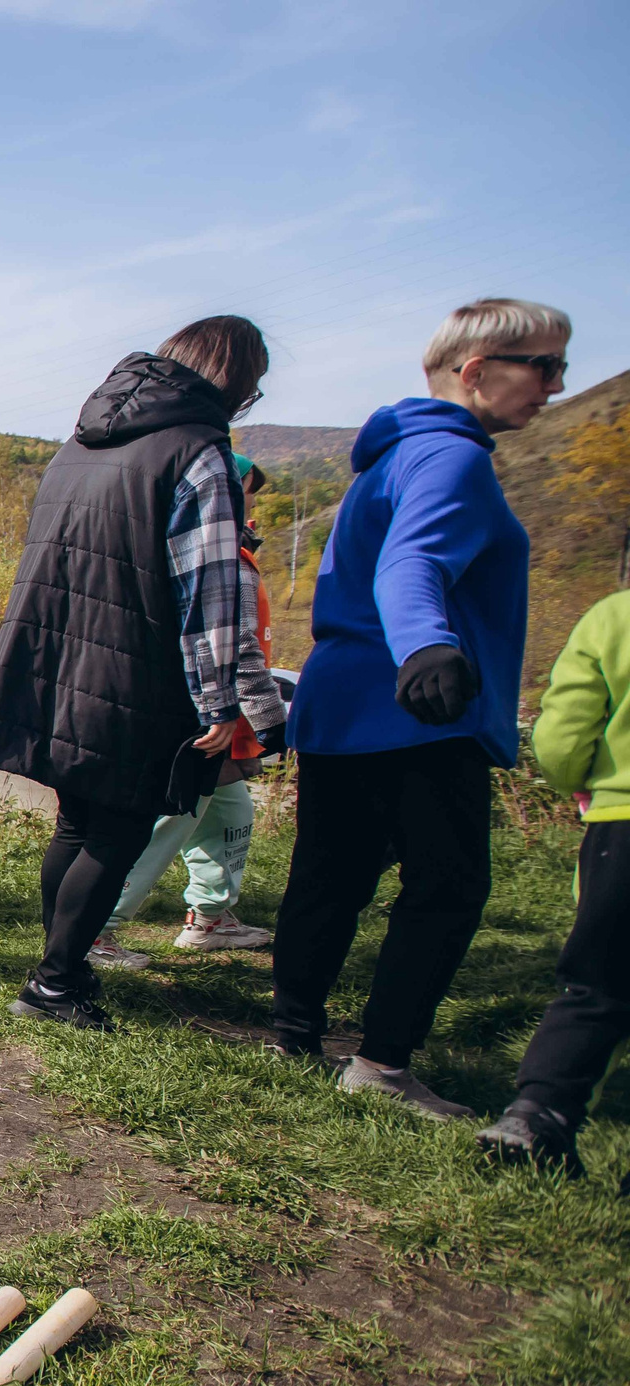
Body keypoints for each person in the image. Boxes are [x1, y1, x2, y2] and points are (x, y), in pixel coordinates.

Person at [272, 299, 572, 1117]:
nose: (555, 385)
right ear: (475, 371)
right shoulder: (451, 457)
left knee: (329, 876)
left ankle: (292, 1027)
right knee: (447, 886)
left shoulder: (390, 455)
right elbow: (412, 566)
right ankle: (383, 1063)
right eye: (545, 366)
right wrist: (429, 648)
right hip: (415, 708)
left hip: (341, 703)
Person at [0, 315, 288, 1029]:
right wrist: (225, 700)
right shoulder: (198, 451)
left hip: (58, 655)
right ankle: (53, 982)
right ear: (232, 379)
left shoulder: (81, 440)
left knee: (78, 821)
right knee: (119, 828)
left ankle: (63, 969)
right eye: (253, 389)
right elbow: (211, 591)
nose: (248, 403)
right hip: (135, 667)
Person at [88, 454, 287, 966]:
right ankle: (95, 928)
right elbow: (235, 642)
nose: (248, 499)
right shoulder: (222, 557)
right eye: (241, 487)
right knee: (168, 822)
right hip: (202, 717)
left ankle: (210, 917)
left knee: (232, 810)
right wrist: (270, 718)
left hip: (214, 713)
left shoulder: (231, 551)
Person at [478, 588, 630, 1173]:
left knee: (597, 986)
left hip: (621, 827)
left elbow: (562, 740)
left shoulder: (612, 616)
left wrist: (578, 779)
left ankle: (538, 1110)